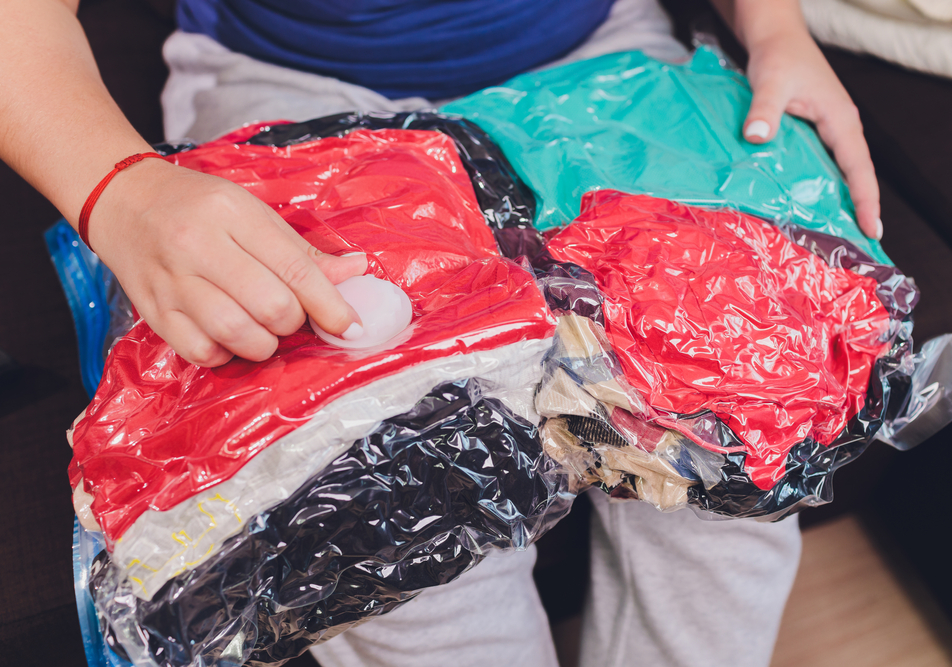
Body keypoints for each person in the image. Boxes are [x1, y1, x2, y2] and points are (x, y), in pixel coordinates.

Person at [1, 1, 882, 665]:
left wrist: (773, 28)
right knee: (394, 525)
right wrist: (121, 190)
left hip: (607, 57)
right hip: (295, 87)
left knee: (741, 456)